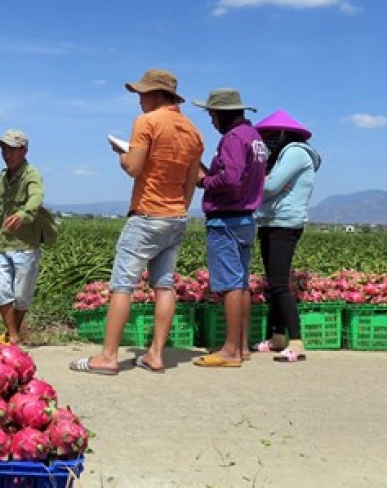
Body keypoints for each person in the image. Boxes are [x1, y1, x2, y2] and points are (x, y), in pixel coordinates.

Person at [68, 68, 204, 375]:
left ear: (156, 95)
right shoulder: (194, 132)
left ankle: (108, 357)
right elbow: (191, 182)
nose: (139, 100)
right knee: (164, 284)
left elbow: (133, 168)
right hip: (176, 216)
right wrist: (178, 209)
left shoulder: (147, 122)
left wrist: (122, 154)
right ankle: (156, 354)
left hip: (146, 215)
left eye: (142, 94)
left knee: (122, 286)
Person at [192, 88, 268, 368]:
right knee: (241, 282)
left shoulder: (233, 138)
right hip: (246, 218)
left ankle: (231, 351)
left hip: (227, 219)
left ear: (223, 113)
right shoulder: (254, 137)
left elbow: (231, 179)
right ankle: (242, 346)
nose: (211, 121)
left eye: (212, 115)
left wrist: (204, 181)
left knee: (230, 285)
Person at [252, 110, 322, 363]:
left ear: (282, 133)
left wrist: (255, 183)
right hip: (272, 220)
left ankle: (296, 342)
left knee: (280, 283)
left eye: (269, 135)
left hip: (285, 223)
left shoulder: (295, 152)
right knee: (273, 282)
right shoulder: (283, 153)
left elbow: (270, 186)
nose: (266, 140)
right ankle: (277, 337)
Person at [0, 128, 55, 345]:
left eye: (11, 149)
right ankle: (14, 335)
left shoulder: (32, 175)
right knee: (1, 291)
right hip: (2, 243)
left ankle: (12, 333)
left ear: (24, 150)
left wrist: (23, 214)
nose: (6, 154)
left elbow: (36, 198)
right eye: (4, 149)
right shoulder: (1, 177)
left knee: (21, 295)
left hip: (25, 244)